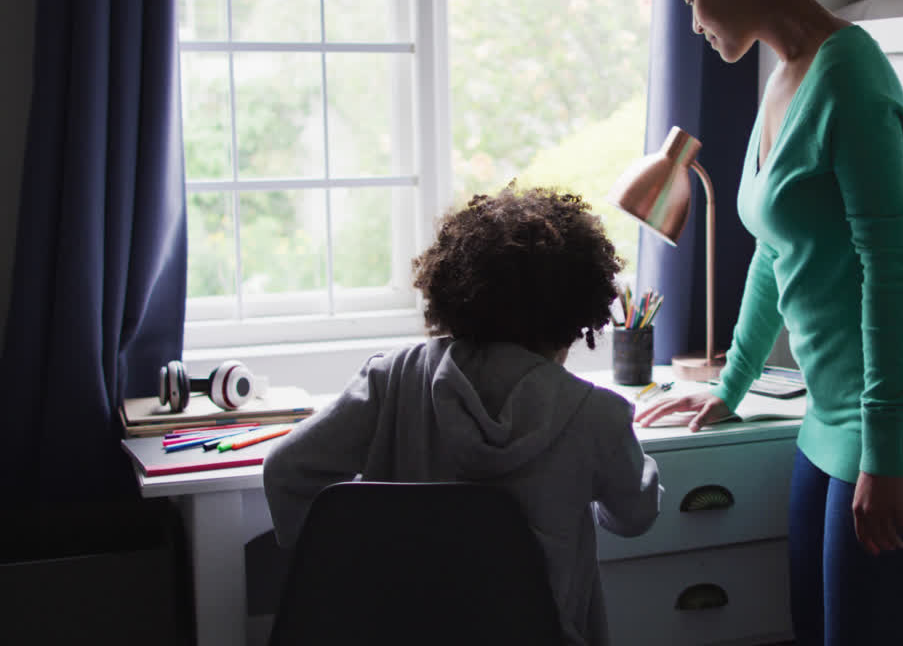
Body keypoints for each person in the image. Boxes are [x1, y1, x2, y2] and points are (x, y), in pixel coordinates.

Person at [635, 0, 903, 644]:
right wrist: (732, 384)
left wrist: (884, 453)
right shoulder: (784, 74)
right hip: (830, 407)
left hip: (898, 416)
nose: (693, 21)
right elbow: (772, 252)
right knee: (807, 626)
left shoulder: (851, 77)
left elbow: (892, 267)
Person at [263, 185, 662, 646]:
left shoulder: (393, 378)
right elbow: (634, 517)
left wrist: (353, 555)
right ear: (577, 311)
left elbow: (286, 470)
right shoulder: (596, 414)